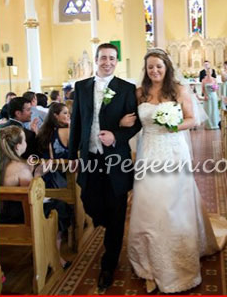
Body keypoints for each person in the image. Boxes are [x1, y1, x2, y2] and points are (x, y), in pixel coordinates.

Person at [121, 48, 227, 293]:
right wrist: (122, 123)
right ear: (146, 68)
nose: (155, 71)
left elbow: (193, 119)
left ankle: (177, 257)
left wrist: (174, 125)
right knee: (149, 201)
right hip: (148, 150)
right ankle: (149, 259)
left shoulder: (179, 90)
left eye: (159, 67)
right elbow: (132, 119)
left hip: (173, 151)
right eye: (150, 67)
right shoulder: (139, 93)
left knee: (173, 203)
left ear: (167, 67)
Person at [68, 43, 141, 291]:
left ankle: (108, 263)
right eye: (103, 58)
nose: (107, 62)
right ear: (96, 60)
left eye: (112, 58)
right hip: (89, 157)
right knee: (90, 201)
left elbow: (136, 124)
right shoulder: (81, 87)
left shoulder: (127, 89)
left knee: (117, 209)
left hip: (116, 159)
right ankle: (107, 224)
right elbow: (76, 122)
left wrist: (117, 136)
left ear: (116, 61)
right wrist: (72, 156)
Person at [0, 125, 72, 269]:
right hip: (20, 217)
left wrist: (30, 171)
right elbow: (33, 197)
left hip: (0, 214)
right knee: (60, 208)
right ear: (18, 146)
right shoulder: (19, 167)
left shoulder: (2, 163)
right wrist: (38, 174)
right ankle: (53, 256)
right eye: (25, 141)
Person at [37, 103, 71, 188]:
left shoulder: (43, 132)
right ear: (56, 115)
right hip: (65, 176)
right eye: (65, 113)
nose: (68, 115)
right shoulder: (67, 132)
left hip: (46, 176)